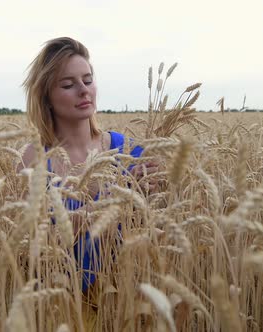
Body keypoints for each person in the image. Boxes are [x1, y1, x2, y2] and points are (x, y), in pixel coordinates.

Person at [18, 37, 159, 293]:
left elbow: (159, 227)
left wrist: (153, 192)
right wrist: (111, 196)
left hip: (125, 300)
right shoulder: (34, 159)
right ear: (46, 96)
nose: (83, 90)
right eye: (68, 84)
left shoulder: (128, 151)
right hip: (62, 304)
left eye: (88, 80)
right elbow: (32, 243)